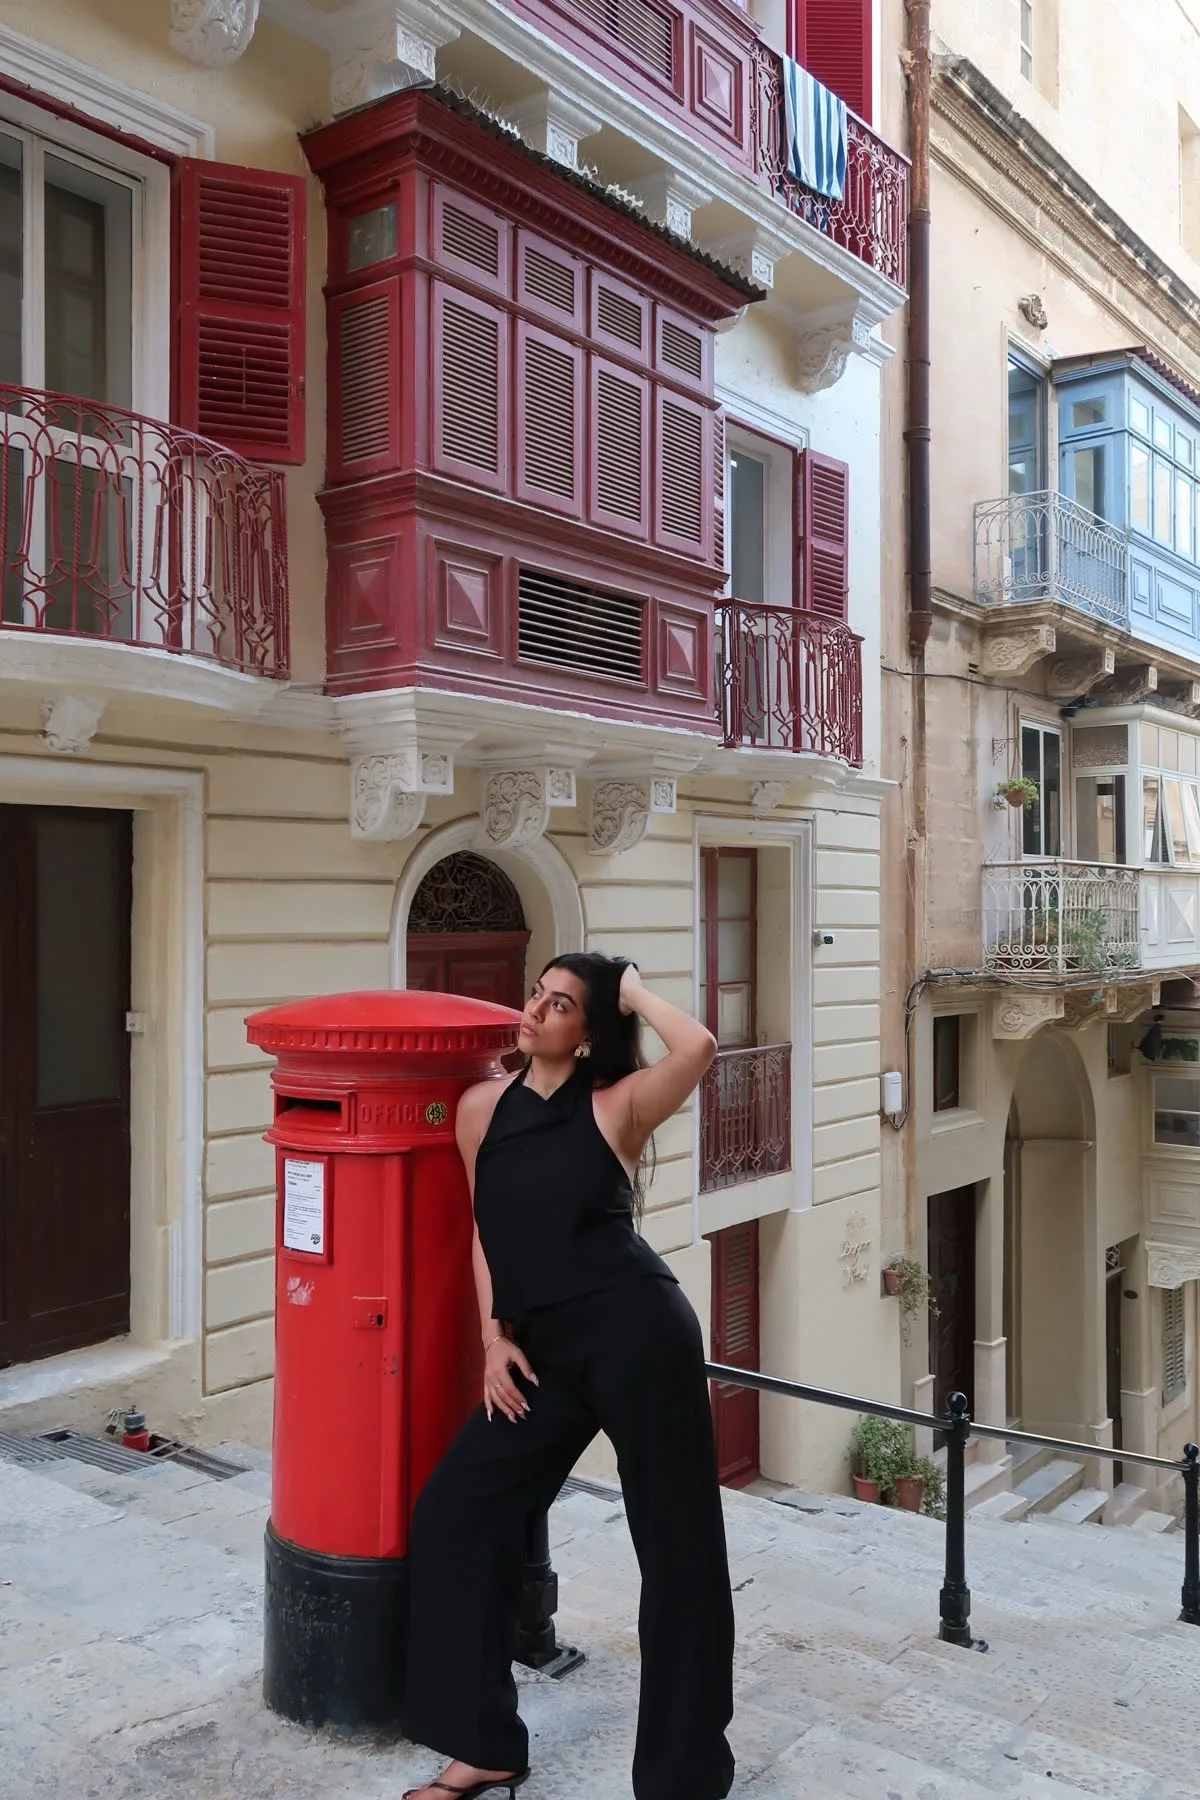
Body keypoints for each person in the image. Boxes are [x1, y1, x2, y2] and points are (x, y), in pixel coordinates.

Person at [400, 952, 736, 1800]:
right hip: (540, 1355)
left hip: (638, 1337)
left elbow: (695, 1046)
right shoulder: (480, 1110)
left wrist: (629, 990)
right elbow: (485, 1234)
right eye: (537, 994)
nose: (537, 1009)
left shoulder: (616, 1106)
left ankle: (682, 1778)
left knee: (676, 1553)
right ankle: (485, 1745)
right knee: (453, 1516)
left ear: (588, 1034)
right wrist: (491, 1339)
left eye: (561, 1003)